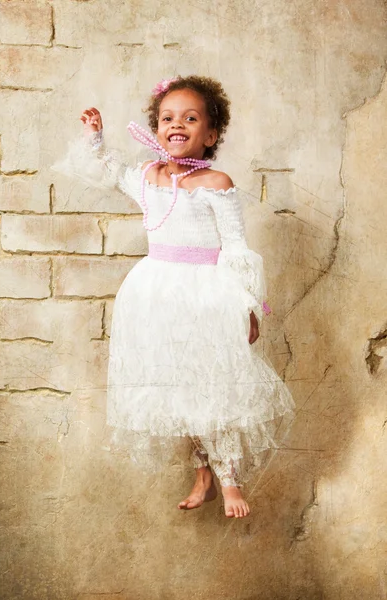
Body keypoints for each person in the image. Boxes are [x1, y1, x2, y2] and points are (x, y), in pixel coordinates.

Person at [53, 75, 295, 519]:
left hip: (206, 294)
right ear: (157, 127)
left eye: (190, 117)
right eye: (167, 117)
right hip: (155, 296)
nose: (176, 124)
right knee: (178, 388)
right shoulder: (148, 176)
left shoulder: (216, 181)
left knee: (212, 386)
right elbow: (105, 170)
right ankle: (203, 474)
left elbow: (235, 245)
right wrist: (95, 139)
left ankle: (229, 479)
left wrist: (248, 306)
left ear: (211, 134)